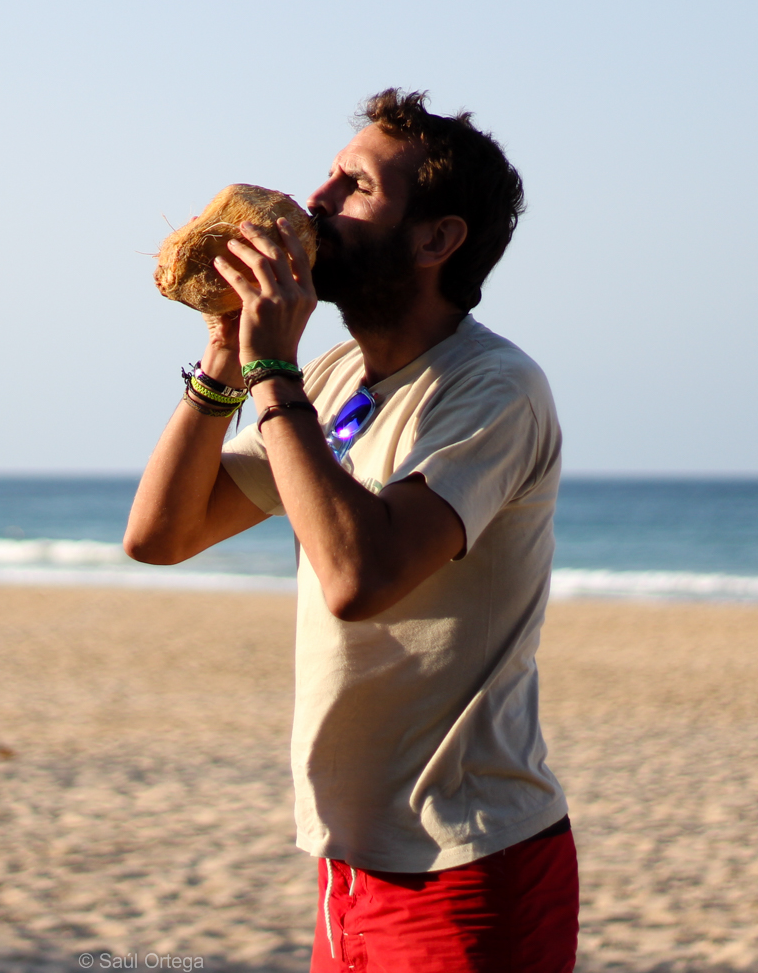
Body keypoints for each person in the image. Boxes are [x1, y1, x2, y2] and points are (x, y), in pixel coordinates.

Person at [124, 89, 577, 972]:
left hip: (466, 863)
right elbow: (158, 535)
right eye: (327, 177)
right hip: (345, 862)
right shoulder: (328, 380)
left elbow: (356, 579)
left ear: (434, 240)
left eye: (354, 186)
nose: (316, 202)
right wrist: (224, 360)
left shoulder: (493, 390)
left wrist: (270, 371)